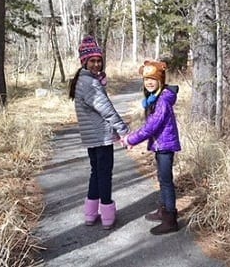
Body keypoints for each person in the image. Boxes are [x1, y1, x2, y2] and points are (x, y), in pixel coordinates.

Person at [68, 35, 129, 230]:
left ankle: (91, 214)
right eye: (92, 61)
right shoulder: (90, 84)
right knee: (104, 175)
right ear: (84, 62)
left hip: (91, 137)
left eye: (98, 61)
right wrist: (124, 131)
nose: (96, 64)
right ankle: (107, 216)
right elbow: (107, 110)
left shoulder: (84, 80)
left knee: (96, 173)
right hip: (100, 137)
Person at [123, 60, 181, 235]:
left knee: (166, 181)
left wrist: (131, 139)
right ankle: (163, 211)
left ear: (160, 80)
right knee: (162, 179)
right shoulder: (155, 98)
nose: (149, 82)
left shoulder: (162, 100)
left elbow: (151, 127)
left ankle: (170, 220)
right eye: (146, 78)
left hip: (165, 146)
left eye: (153, 79)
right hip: (160, 145)